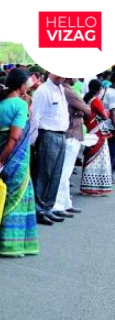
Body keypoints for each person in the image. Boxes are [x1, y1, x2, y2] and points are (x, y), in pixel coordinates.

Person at [0, 69, 40, 257]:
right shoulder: (19, 104)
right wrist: (1, 160)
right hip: (12, 158)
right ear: (22, 86)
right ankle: (8, 245)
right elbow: (14, 137)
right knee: (14, 195)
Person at [30, 72, 70, 226]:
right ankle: (39, 209)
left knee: (55, 174)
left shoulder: (60, 89)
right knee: (43, 173)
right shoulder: (43, 91)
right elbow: (35, 117)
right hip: (47, 134)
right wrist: (33, 140)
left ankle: (48, 207)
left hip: (61, 135)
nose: (62, 75)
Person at [52, 78, 90, 217]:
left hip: (68, 132)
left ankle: (65, 203)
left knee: (64, 172)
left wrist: (79, 111)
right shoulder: (68, 91)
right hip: (72, 133)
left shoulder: (60, 89)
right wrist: (80, 110)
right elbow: (87, 109)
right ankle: (58, 205)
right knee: (64, 172)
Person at [80, 79, 113, 196]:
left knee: (89, 155)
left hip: (88, 130)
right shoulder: (96, 101)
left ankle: (87, 187)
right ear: (99, 89)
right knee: (98, 157)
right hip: (97, 133)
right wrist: (108, 113)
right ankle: (93, 188)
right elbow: (104, 116)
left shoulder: (86, 99)